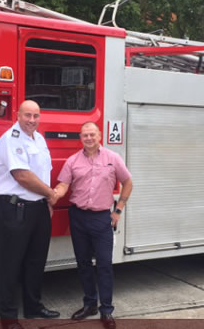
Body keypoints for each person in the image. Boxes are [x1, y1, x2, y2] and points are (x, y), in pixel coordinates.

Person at [53, 121, 133, 329]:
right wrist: (52, 195)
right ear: (80, 138)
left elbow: (128, 182)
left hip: (101, 219)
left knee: (104, 265)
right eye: (84, 135)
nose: (88, 138)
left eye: (92, 135)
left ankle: (106, 310)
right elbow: (63, 185)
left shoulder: (112, 159)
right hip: (78, 217)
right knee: (83, 264)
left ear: (99, 136)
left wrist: (118, 210)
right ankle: (90, 304)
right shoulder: (72, 161)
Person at [0, 100, 60, 329]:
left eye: (36, 116)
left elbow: (42, 172)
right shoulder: (11, 138)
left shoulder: (38, 138)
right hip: (14, 207)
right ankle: (8, 319)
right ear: (17, 115)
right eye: (27, 115)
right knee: (10, 264)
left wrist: (46, 201)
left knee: (35, 261)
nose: (32, 120)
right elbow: (22, 176)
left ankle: (33, 307)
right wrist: (51, 194)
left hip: (38, 206)